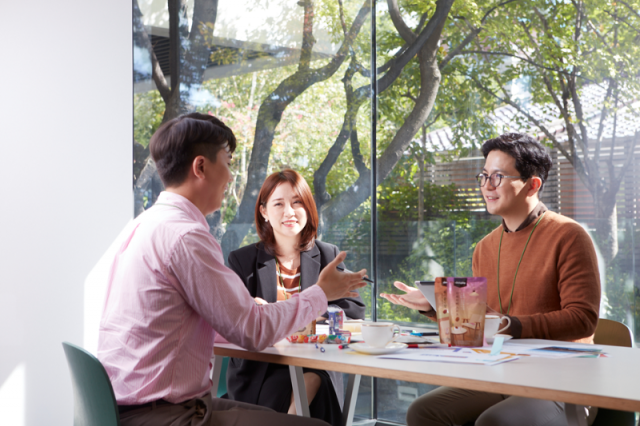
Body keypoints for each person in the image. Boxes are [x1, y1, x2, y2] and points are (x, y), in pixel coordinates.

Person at [97, 113, 367, 426]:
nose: (230, 177)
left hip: (135, 405)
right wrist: (321, 293)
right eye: (227, 162)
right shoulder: (186, 237)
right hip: (169, 414)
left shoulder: (143, 225)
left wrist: (241, 313)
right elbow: (253, 331)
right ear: (201, 167)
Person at [380, 133, 601, 426]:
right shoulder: (485, 246)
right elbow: (479, 323)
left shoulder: (569, 236)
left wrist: (511, 325)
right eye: (483, 176)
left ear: (533, 184)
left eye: (497, 177)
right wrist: (433, 305)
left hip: (565, 380)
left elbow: (582, 319)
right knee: (423, 411)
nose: (486, 186)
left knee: (495, 422)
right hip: (503, 371)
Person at [226, 169, 366, 426]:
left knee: (314, 378)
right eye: (278, 204)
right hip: (263, 369)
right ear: (264, 212)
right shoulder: (242, 260)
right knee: (306, 385)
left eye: (297, 202)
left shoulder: (327, 255)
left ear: (309, 208)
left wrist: (311, 319)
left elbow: (355, 311)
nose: (289, 211)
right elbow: (238, 319)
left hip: (316, 360)